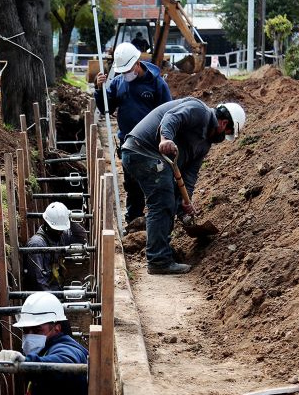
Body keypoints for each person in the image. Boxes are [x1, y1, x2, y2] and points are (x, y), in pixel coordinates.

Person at [120, 98, 246, 275]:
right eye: (227, 133)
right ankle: (158, 260)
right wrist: (165, 139)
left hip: (151, 158)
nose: (224, 138)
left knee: (169, 200)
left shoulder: (204, 144)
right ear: (224, 123)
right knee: (163, 203)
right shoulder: (199, 110)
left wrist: (185, 204)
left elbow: (189, 176)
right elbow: (171, 118)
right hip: (142, 150)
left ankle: (161, 249)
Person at [94, 43, 172, 224]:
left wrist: (165, 138)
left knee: (154, 182)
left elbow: (169, 112)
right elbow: (106, 108)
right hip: (128, 142)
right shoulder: (118, 83)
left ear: (137, 63)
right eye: (122, 71)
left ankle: (156, 219)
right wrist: (99, 90)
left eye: (127, 69)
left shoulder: (156, 83)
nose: (125, 74)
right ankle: (134, 218)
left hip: (151, 143)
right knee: (132, 183)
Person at [23, 202, 87, 292]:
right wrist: (55, 298)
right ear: (46, 223)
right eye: (56, 229)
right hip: (43, 297)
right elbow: (38, 283)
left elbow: (82, 238)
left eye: (61, 229)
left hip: (55, 289)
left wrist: (69, 218)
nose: (59, 232)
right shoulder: (36, 244)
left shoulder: (61, 235)